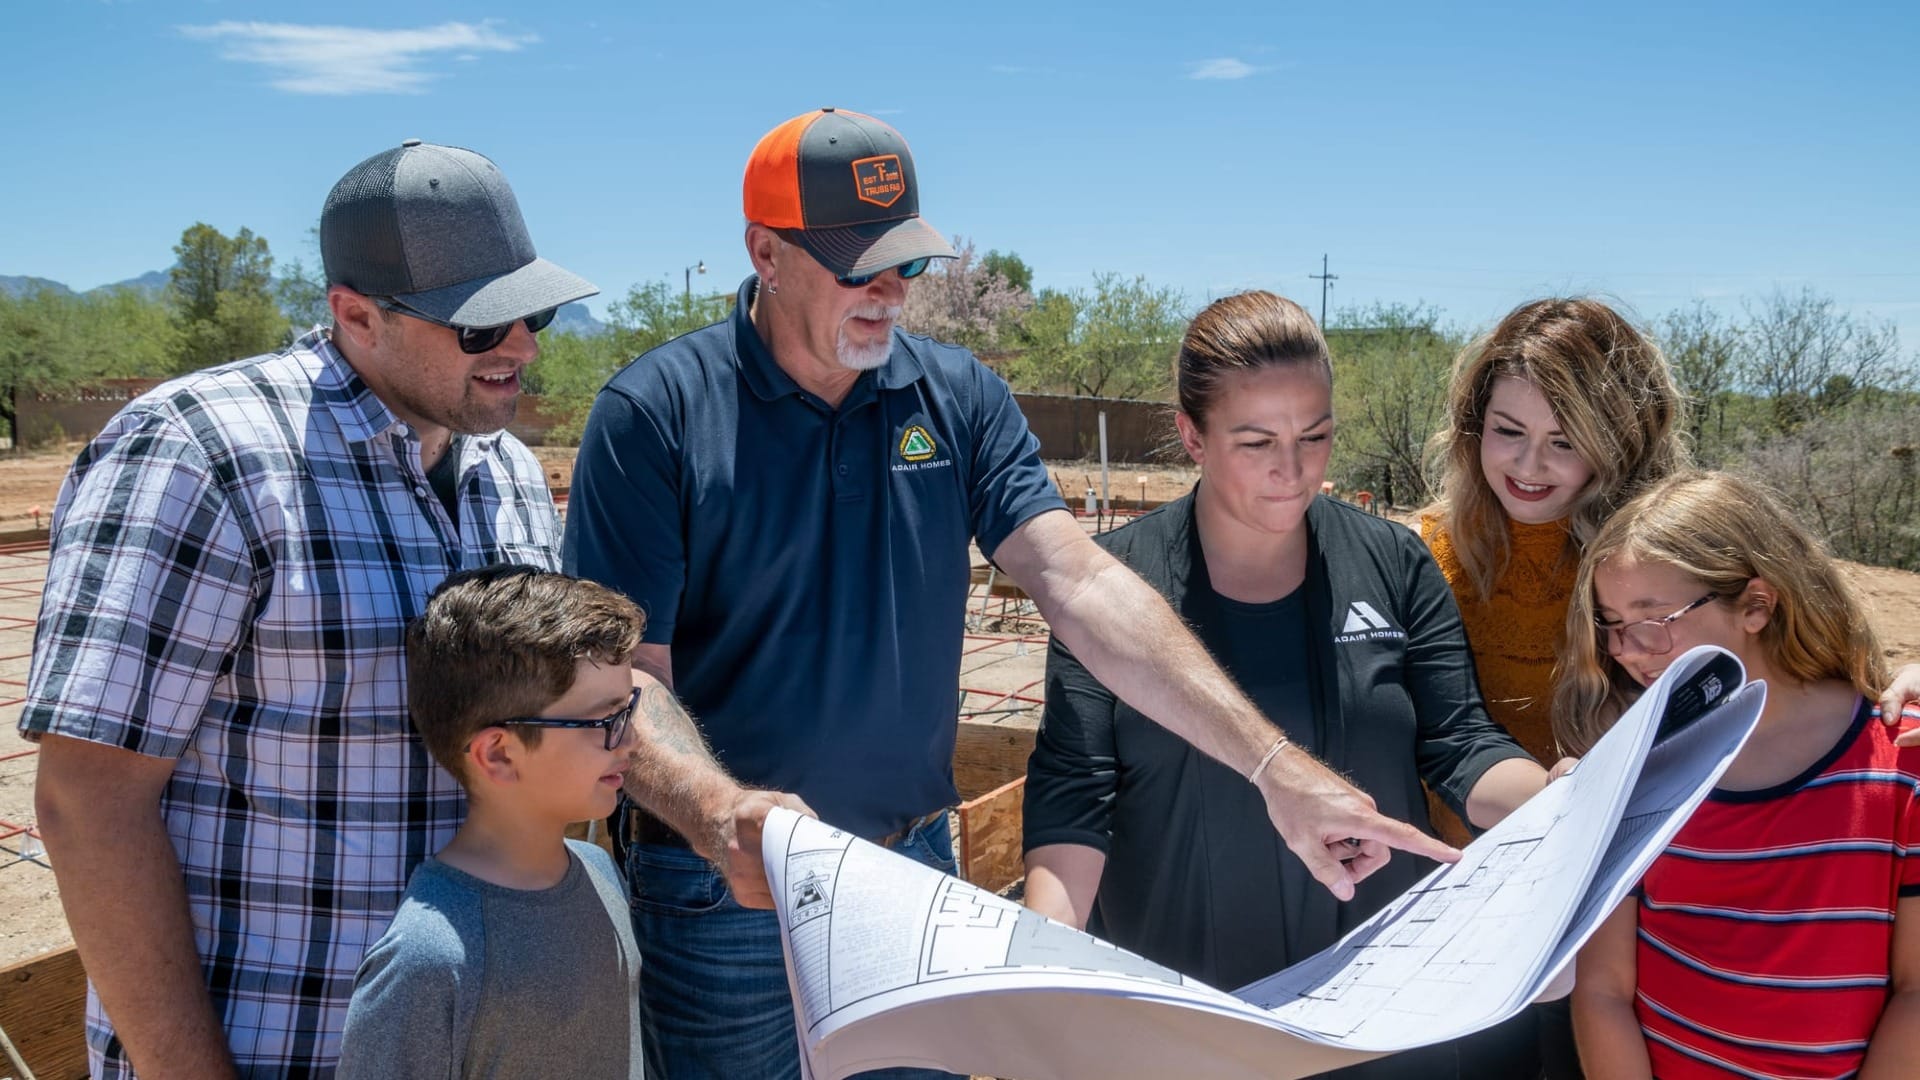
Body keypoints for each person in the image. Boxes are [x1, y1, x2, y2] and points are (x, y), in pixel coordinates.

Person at [562, 108, 1457, 1079]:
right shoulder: (655, 414)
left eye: (905, 263)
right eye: (857, 266)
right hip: (724, 891)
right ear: (764, 253)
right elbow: (624, 680)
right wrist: (717, 812)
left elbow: (1078, 583)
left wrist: (1275, 766)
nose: (890, 291)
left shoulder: (956, 399)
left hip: (910, 876)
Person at [22, 140, 594, 1078]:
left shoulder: (511, 474)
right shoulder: (200, 453)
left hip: (470, 1039)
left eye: (533, 313)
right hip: (279, 1048)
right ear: (354, 315)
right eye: (480, 328)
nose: (522, 348)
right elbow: (88, 801)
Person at [1021, 291, 1554, 1079]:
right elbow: (1075, 799)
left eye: (1316, 436)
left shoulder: (1394, 564)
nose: (1293, 469)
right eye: (1256, 441)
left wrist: (1562, 803)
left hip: (1378, 1016)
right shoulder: (1116, 590)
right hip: (1192, 1022)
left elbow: (1460, 744)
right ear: (1191, 436)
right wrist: (1037, 981)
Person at [1562, 472, 1920, 1079]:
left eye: (1654, 617)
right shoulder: (1636, 768)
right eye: (1611, 621)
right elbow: (1602, 990)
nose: (1625, 648)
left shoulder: (1901, 759)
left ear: (1757, 604)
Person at [338, 565, 644, 1079]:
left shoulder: (602, 874)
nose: (631, 739)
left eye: (628, 709)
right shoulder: (426, 958)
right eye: (605, 721)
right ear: (498, 755)